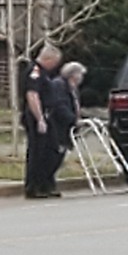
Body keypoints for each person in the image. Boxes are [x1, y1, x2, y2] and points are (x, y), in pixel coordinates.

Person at [23, 44, 62, 198]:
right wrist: (39, 119)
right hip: (37, 116)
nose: (55, 66)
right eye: (55, 62)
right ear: (48, 58)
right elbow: (32, 95)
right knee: (38, 152)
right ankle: (34, 186)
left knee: (51, 150)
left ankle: (47, 184)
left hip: (47, 115)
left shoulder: (44, 73)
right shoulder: (35, 72)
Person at [45, 62, 88, 193]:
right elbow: (59, 106)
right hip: (57, 127)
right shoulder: (59, 85)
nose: (81, 78)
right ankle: (46, 184)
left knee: (60, 156)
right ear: (73, 75)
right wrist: (73, 120)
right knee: (53, 157)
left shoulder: (72, 88)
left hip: (67, 129)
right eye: (80, 74)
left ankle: (49, 184)